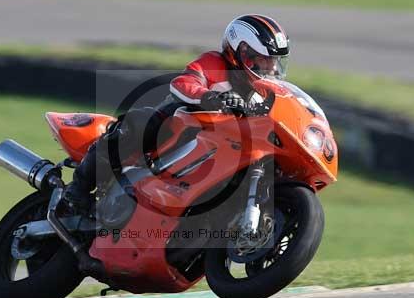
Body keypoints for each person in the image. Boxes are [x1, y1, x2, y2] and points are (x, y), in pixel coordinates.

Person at [62, 14, 291, 212]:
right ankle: (77, 189)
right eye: (264, 59)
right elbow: (183, 82)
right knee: (138, 124)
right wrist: (207, 97)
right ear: (242, 51)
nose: (271, 68)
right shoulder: (213, 62)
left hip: (225, 144)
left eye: (274, 61)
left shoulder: (264, 90)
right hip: (181, 122)